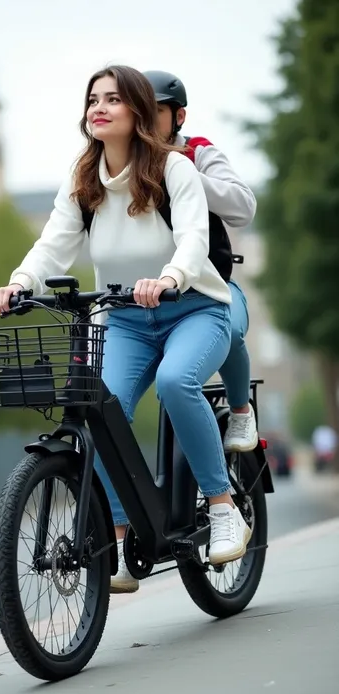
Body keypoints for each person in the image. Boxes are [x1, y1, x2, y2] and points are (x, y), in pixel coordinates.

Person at [0, 65, 252, 594]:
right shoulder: (83, 177)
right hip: (125, 319)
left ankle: (222, 506)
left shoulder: (173, 167)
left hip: (194, 307)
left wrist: (171, 277)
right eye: (92, 100)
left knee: (179, 383)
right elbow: (54, 241)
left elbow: (195, 238)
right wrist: (18, 283)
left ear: (136, 110)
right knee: (100, 408)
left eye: (112, 98)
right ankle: (120, 532)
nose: (98, 108)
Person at [144, 70, 258, 455]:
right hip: (149, 302)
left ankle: (241, 410)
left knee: (231, 330)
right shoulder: (125, 162)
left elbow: (243, 208)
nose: (146, 119)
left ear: (179, 116)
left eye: (156, 110)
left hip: (213, 290)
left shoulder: (198, 152)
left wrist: (183, 174)